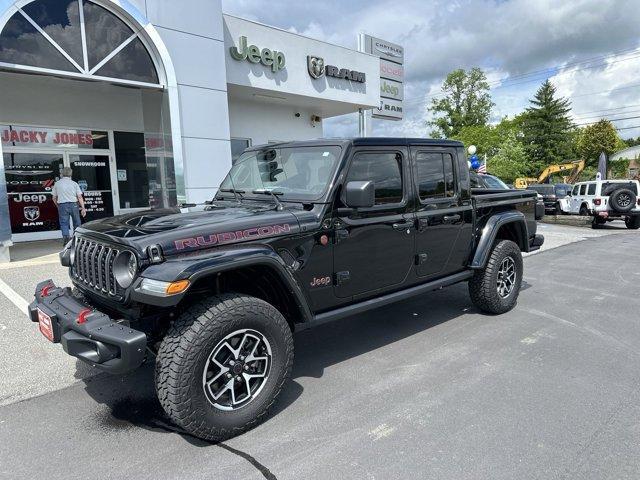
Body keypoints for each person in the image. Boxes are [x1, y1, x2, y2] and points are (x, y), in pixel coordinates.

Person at [51, 167, 86, 245]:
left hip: (62, 205)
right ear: (71, 174)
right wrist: (83, 208)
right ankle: (77, 239)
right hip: (74, 205)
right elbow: (79, 197)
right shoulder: (74, 183)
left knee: (64, 223)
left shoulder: (57, 183)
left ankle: (66, 238)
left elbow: (54, 198)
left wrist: (58, 205)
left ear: (62, 174)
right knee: (77, 222)